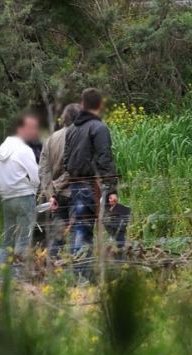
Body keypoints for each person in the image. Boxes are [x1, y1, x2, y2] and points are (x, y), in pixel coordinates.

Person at [63, 88, 118, 258]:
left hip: (75, 186)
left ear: (82, 104)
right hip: (91, 186)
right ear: (99, 105)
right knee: (93, 230)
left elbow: (66, 160)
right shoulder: (99, 128)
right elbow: (104, 158)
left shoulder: (71, 129)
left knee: (80, 228)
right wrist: (111, 189)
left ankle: (78, 273)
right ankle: (87, 274)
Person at [0, 113, 41, 270]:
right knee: (23, 238)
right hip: (24, 196)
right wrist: (35, 189)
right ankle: (18, 276)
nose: (34, 132)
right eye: (31, 128)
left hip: (7, 198)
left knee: (7, 239)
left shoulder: (2, 148)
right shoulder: (24, 149)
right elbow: (36, 176)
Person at [38, 103, 81, 257]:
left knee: (57, 237)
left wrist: (50, 195)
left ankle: (50, 271)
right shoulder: (79, 137)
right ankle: (78, 273)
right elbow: (75, 169)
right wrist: (55, 188)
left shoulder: (50, 139)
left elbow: (43, 171)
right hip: (75, 193)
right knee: (78, 234)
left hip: (57, 198)